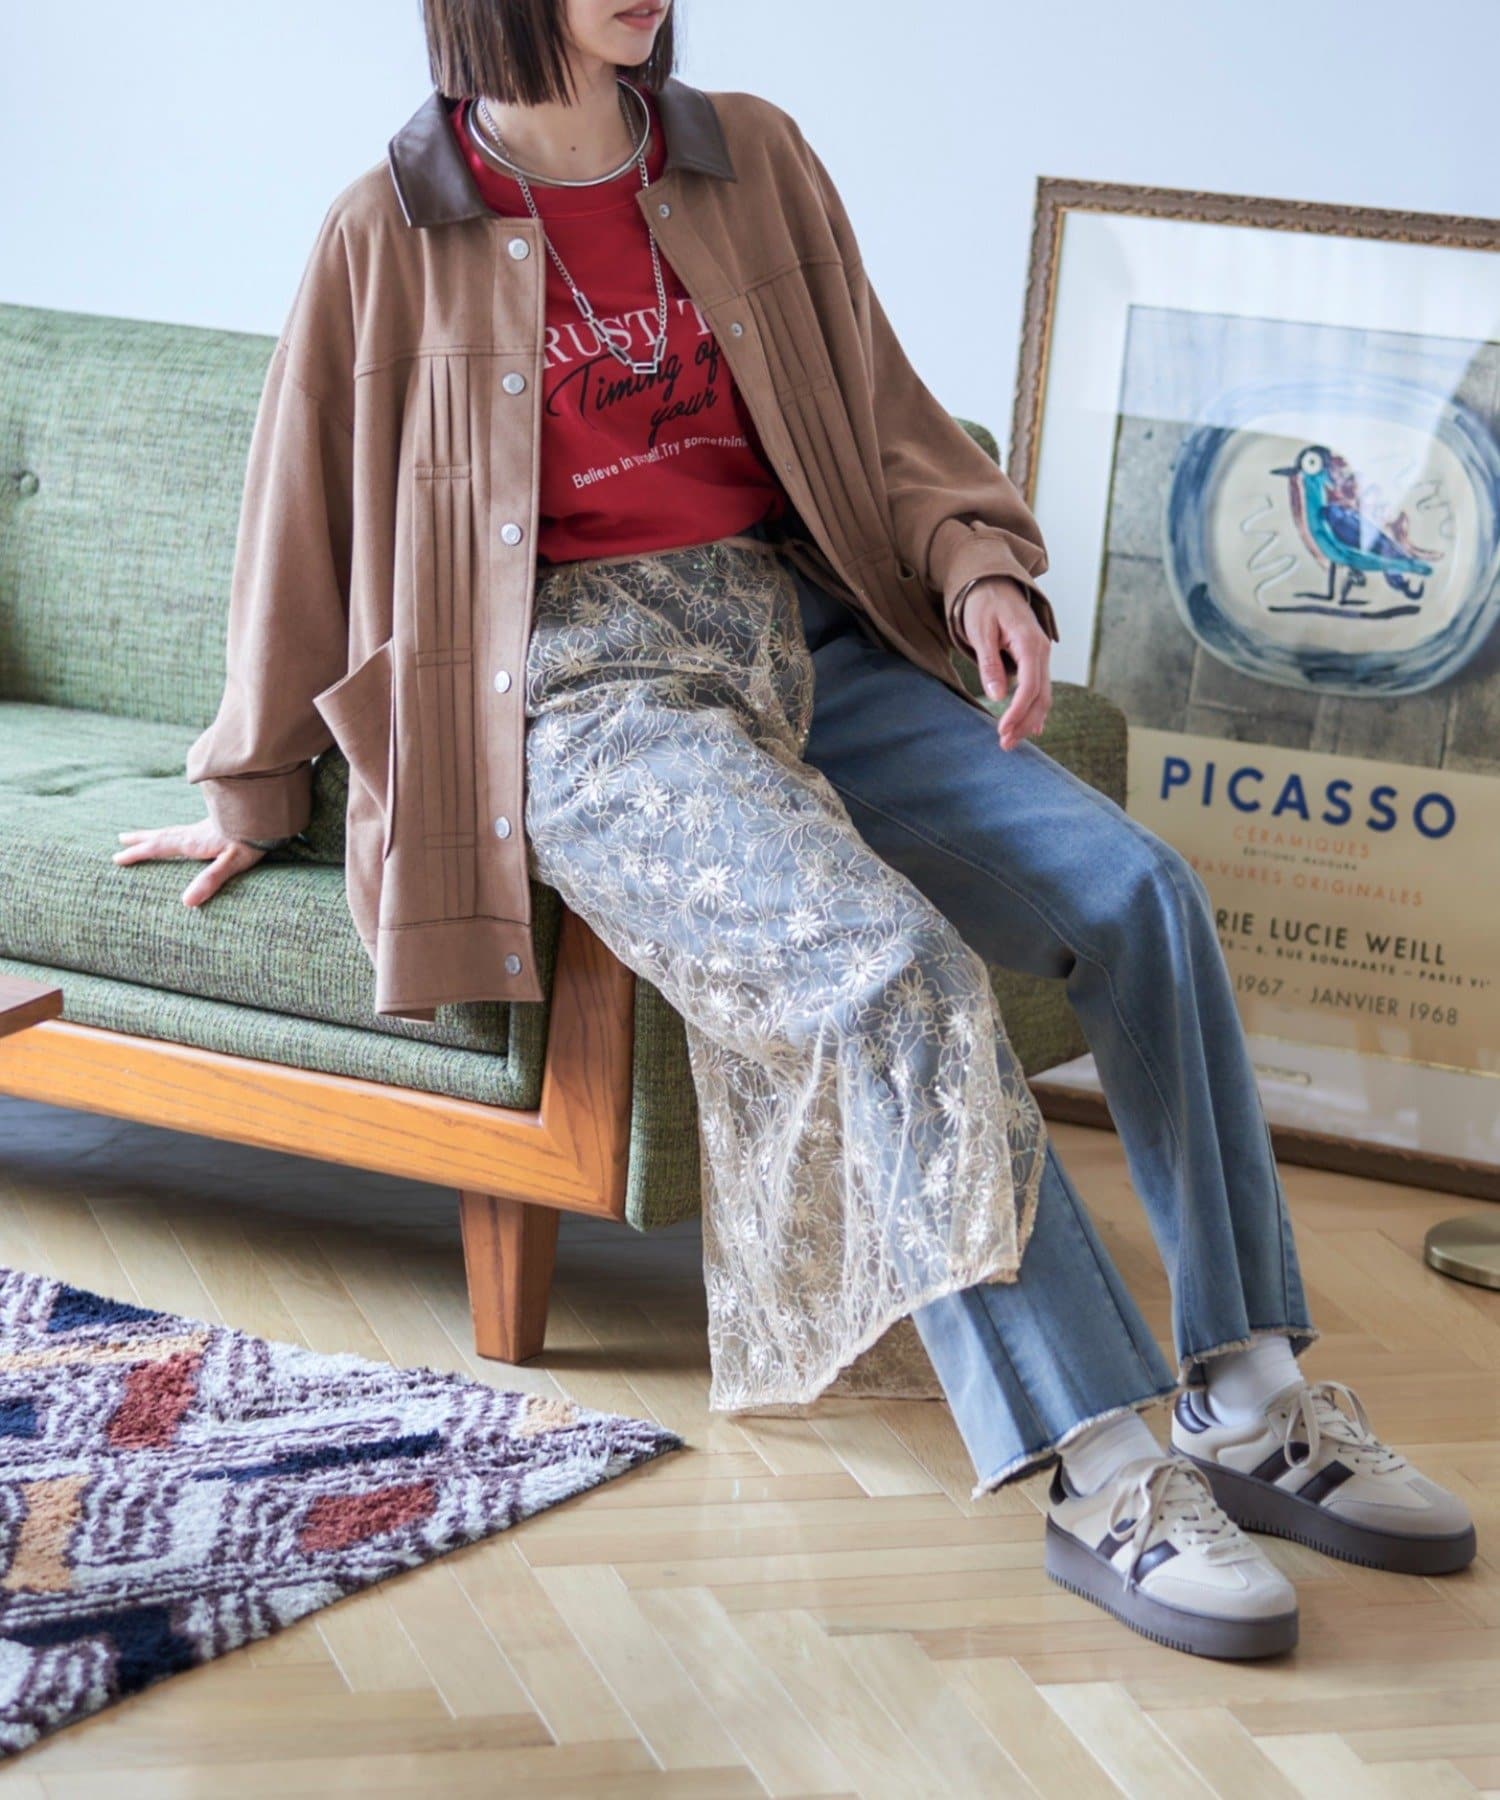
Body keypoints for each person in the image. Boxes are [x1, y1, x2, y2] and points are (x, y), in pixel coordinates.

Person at [114, 0, 1476, 1660]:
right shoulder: (391, 226)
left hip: (802, 634)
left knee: (1140, 893)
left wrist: (978, 569)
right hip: (582, 693)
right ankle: (1105, 1470)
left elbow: (887, 419)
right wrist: (253, 789)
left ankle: (1251, 1401)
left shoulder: (749, 158)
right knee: (888, 971)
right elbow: (300, 520)